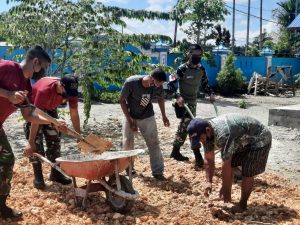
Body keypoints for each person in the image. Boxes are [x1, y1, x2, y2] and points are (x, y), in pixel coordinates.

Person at [0, 46, 65, 219]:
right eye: (43, 67)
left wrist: (53, 121)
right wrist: (8, 94)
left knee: (6, 160)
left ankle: (1, 207)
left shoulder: (26, 84)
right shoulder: (7, 67)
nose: (43, 72)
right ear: (35, 62)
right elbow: (9, 95)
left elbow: (29, 114)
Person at [187, 113, 272, 212]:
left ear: (208, 131)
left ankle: (242, 205)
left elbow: (226, 163)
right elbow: (209, 159)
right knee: (233, 163)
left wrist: (225, 187)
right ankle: (227, 195)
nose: (201, 142)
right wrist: (209, 182)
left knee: (248, 171)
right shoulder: (207, 134)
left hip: (259, 138)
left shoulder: (224, 134)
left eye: (201, 139)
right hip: (243, 140)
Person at [23, 75, 80, 189]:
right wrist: (30, 141)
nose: (68, 97)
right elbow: (35, 117)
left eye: (70, 94)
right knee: (36, 141)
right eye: (66, 93)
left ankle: (55, 174)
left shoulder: (71, 92)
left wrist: (78, 135)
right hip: (35, 109)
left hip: (50, 107)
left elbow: (74, 114)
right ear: (60, 84)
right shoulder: (44, 91)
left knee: (54, 139)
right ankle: (38, 176)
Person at [167, 44, 215, 169]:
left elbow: (205, 84)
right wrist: (177, 96)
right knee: (190, 125)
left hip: (193, 103)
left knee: (184, 127)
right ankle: (197, 155)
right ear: (189, 54)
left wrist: (210, 93)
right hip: (182, 103)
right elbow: (170, 84)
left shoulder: (201, 69)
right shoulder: (181, 69)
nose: (197, 57)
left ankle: (175, 151)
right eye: (194, 54)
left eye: (199, 55)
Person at [120, 68, 170, 180]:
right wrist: (130, 120)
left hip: (147, 116)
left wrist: (163, 115)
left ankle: (158, 172)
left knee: (154, 143)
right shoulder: (131, 83)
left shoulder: (157, 86)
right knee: (128, 142)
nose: (159, 86)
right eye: (158, 83)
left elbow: (160, 98)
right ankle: (128, 169)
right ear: (151, 79)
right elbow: (122, 100)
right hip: (130, 115)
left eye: (161, 84)